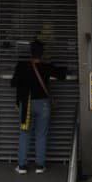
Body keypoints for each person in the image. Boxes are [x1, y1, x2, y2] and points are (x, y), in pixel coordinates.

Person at [11, 40, 68, 174]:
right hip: (43, 105)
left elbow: (13, 83)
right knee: (41, 135)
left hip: (27, 105)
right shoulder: (46, 67)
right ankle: (40, 166)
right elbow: (62, 74)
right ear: (42, 54)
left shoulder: (22, 66)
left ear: (30, 52)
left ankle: (22, 166)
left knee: (25, 134)